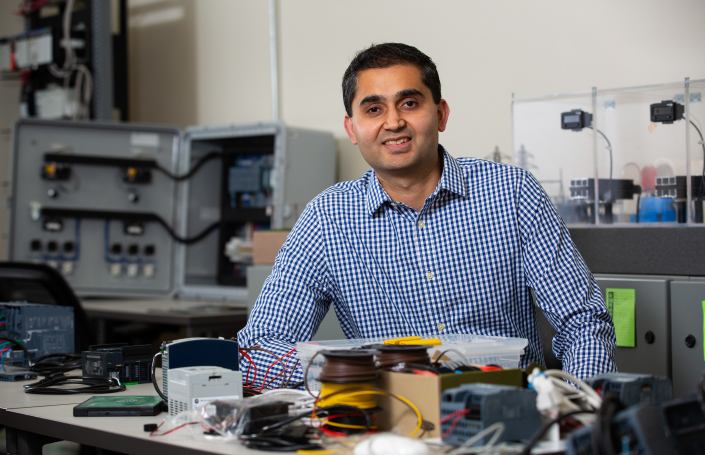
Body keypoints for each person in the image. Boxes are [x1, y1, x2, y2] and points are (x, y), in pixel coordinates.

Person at [237, 43, 616, 389]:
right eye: (373, 109)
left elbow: (584, 322)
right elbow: (258, 350)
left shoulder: (512, 193)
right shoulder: (327, 218)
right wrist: (351, 374)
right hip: (386, 422)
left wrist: (575, 412)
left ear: (441, 113)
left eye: (409, 103)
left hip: (507, 417)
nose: (393, 122)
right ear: (352, 129)